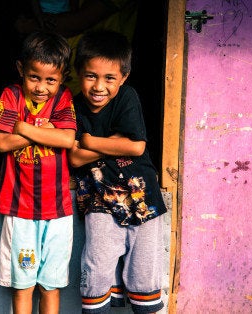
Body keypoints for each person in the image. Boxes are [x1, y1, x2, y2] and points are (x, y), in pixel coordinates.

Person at [68, 30, 167, 313]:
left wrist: (90, 141)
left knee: (144, 273)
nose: (99, 86)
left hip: (142, 197)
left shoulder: (127, 97)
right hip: (99, 201)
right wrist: (114, 143)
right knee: (97, 269)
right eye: (91, 76)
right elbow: (74, 159)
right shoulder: (73, 107)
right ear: (77, 73)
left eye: (109, 78)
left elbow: (136, 147)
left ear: (123, 77)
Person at [0, 31, 77, 314]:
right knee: (22, 285)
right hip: (21, 209)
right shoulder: (11, 95)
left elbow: (66, 139)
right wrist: (46, 131)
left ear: (62, 78)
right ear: (20, 70)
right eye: (34, 77)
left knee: (50, 286)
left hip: (58, 210)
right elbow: (2, 143)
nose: (41, 87)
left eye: (51, 80)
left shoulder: (63, 97)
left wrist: (24, 128)